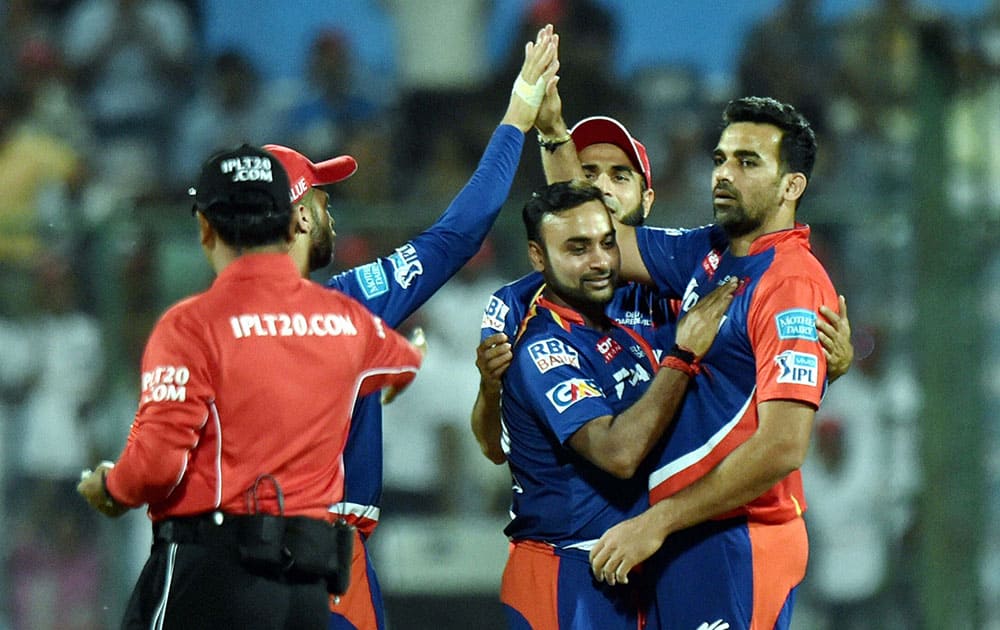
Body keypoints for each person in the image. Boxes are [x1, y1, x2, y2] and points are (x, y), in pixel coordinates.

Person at [264, 25, 560, 630]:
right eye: (321, 198)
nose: (331, 211)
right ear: (296, 217)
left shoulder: (211, 324)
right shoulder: (347, 307)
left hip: (260, 563)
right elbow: (458, 233)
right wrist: (514, 120)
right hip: (321, 568)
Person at [76, 144, 424, 629]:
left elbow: (156, 466)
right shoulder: (346, 319)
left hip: (216, 573)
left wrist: (112, 488)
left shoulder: (191, 326)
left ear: (204, 227)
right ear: (291, 223)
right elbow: (402, 363)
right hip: (307, 586)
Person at [588, 96, 840, 630]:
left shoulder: (790, 282)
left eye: (747, 162)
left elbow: (781, 447)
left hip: (738, 539)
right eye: (721, 159)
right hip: (690, 535)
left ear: (791, 186)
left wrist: (658, 521)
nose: (724, 174)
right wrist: (547, 134)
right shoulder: (712, 255)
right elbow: (588, 233)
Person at [497, 179, 737, 629]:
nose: (600, 262)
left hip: (621, 572)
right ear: (537, 257)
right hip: (564, 577)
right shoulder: (543, 349)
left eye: (607, 243)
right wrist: (681, 357)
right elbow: (619, 454)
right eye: (577, 248)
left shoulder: (619, 335)